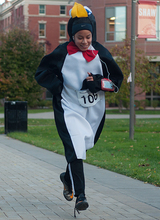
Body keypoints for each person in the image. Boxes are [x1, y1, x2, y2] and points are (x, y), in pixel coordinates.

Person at [35, 3, 123, 217]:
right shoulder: (61, 52)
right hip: (69, 107)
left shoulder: (101, 52)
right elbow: (42, 73)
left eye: (88, 37)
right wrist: (59, 87)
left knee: (83, 146)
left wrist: (100, 83)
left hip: (93, 109)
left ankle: (67, 178)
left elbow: (116, 82)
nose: (84, 42)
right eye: (79, 38)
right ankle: (81, 197)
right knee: (76, 148)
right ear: (72, 36)